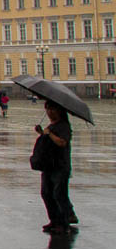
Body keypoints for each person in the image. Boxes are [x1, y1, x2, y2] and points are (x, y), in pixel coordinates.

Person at [36, 100, 77, 234]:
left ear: (59, 111)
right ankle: (54, 220)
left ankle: (64, 223)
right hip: (48, 166)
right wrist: (42, 133)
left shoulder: (63, 126)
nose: (49, 112)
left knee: (59, 194)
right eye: (47, 109)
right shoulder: (52, 125)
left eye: (52, 109)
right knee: (46, 194)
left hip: (60, 166)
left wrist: (49, 134)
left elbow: (62, 142)